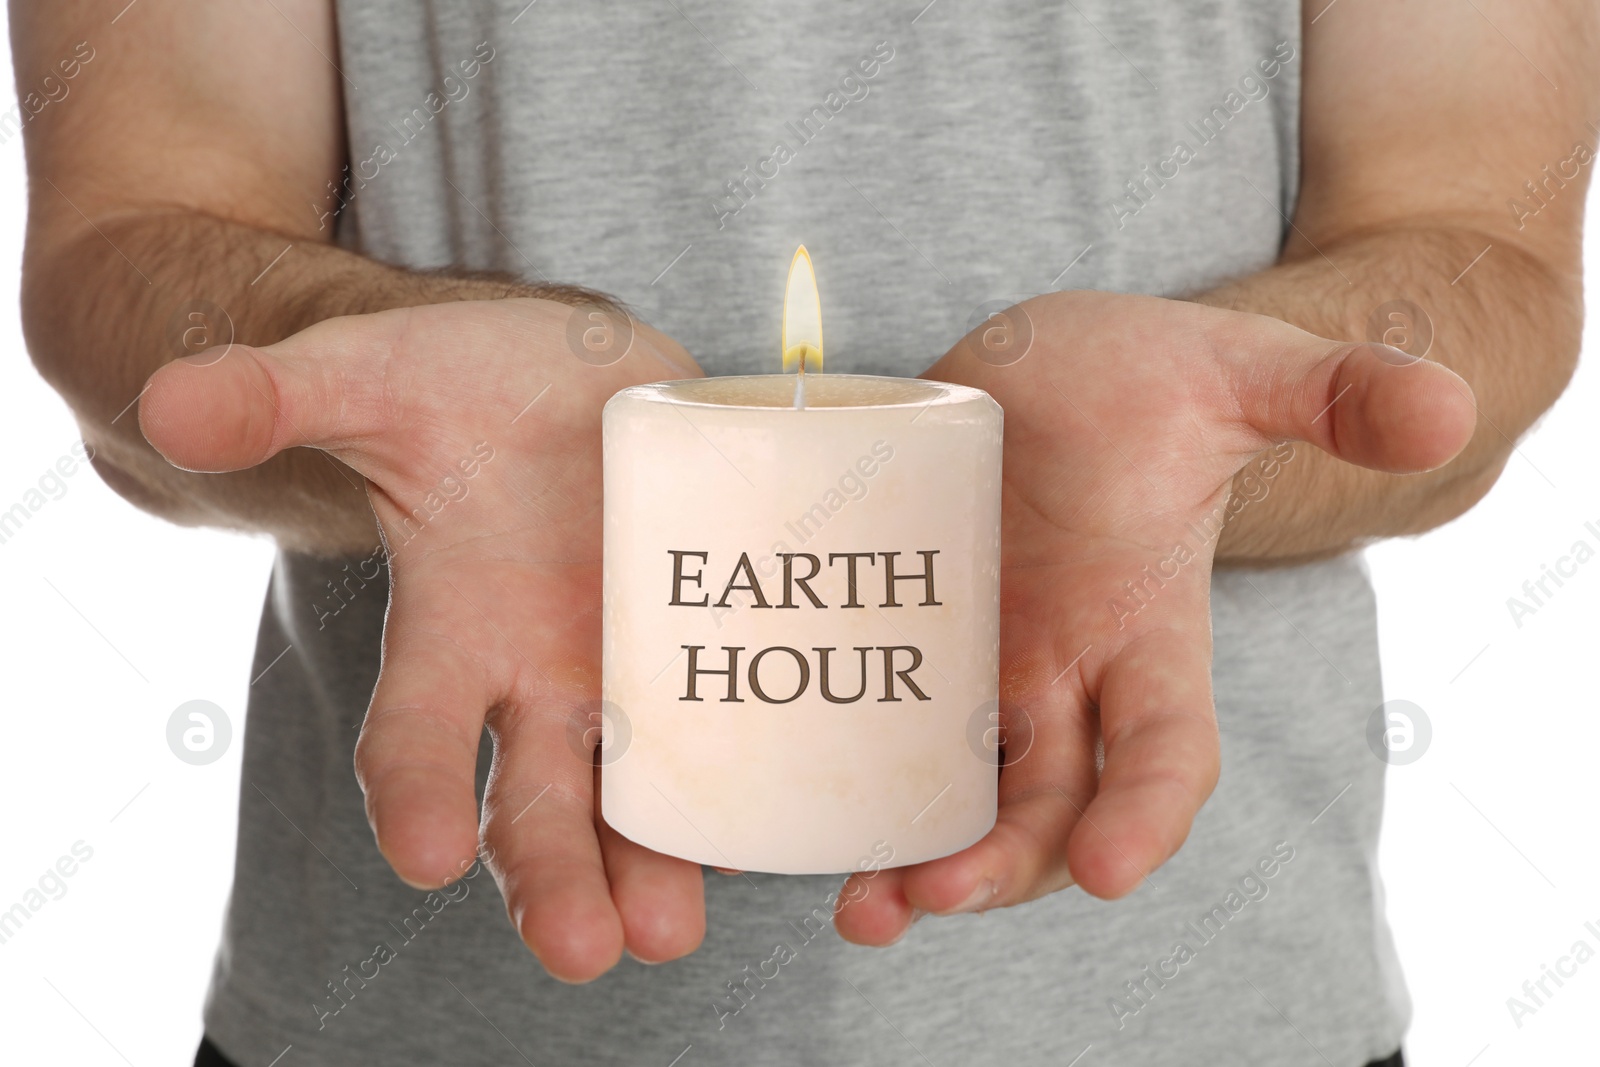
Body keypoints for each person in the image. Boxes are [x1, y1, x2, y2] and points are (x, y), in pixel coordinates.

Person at [14, 0, 1594, 1063]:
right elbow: (135, 233)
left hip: (1225, 1016)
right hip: (405, 1015)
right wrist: (387, 400)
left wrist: (1238, 421)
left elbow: (1477, 250)